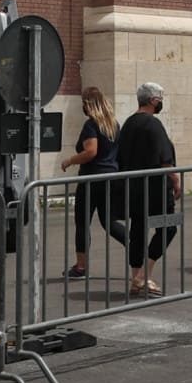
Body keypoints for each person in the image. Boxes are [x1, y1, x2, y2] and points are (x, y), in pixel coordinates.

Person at [114, 82, 180, 298]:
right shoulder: (154, 125)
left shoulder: (128, 124)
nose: (161, 102)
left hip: (132, 188)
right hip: (155, 189)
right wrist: (176, 181)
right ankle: (143, 275)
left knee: (138, 231)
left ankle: (137, 279)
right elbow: (165, 161)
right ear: (153, 100)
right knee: (168, 227)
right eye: (160, 98)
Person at [58, 87, 120, 278]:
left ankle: (81, 267)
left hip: (91, 179)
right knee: (108, 221)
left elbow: (91, 151)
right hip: (110, 178)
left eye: (83, 103)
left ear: (88, 104)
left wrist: (70, 160)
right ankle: (137, 245)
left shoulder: (91, 125)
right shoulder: (113, 125)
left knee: (82, 222)